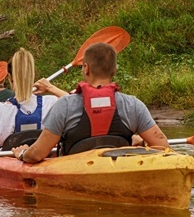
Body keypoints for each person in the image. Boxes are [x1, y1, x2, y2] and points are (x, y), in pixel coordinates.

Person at [11, 42, 169, 163]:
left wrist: (23, 153)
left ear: (85, 68)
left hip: (74, 174)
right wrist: (141, 145)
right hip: (119, 170)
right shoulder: (133, 105)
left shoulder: (65, 105)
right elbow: (163, 146)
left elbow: (37, 154)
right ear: (114, 71)